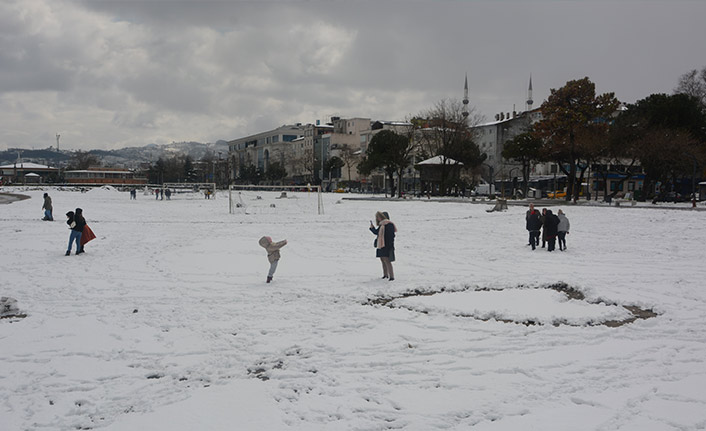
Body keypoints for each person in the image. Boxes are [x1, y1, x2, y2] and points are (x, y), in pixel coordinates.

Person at [369, 211, 397, 281]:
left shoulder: (389, 225)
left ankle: (391, 277)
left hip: (386, 245)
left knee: (387, 260)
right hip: (381, 245)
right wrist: (372, 228)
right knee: (382, 260)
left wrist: (389, 245)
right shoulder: (382, 225)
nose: (378, 219)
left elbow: (391, 236)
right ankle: (385, 275)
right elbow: (377, 232)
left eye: (379, 217)